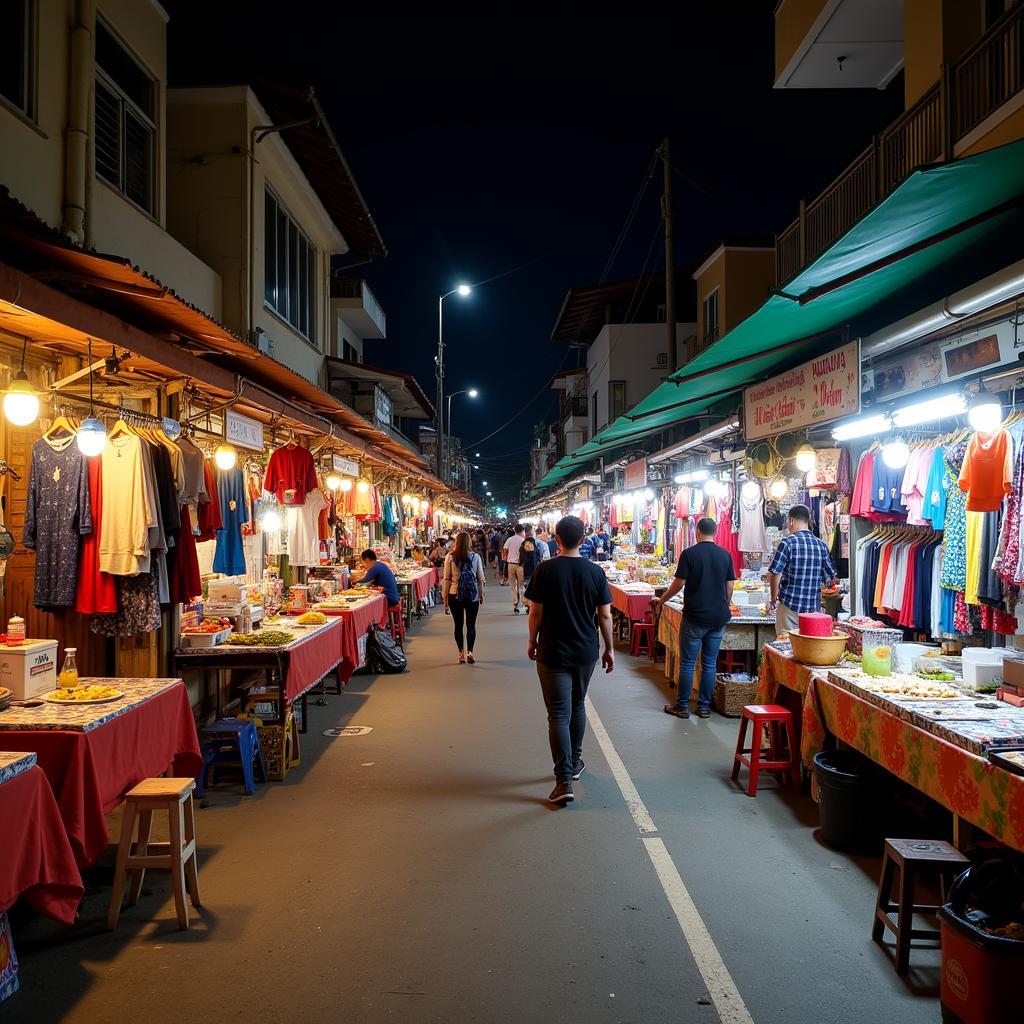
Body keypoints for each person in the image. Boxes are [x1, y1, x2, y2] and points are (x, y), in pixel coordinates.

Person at [526, 516, 614, 805]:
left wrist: (532, 640)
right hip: (585, 651)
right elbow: (604, 615)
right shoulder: (595, 572)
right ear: (584, 538)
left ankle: (563, 779)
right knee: (577, 705)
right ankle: (574, 762)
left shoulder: (544, 570)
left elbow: (535, 612)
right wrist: (609, 648)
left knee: (558, 713)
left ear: (557, 539)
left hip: (552, 650)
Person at [653, 517, 735, 719]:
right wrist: (724, 603)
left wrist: (662, 600)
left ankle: (682, 706)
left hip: (695, 616)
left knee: (688, 663)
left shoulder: (689, 554)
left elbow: (679, 583)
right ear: (715, 532)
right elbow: (730, 586)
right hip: (718, 618)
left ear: (697, 531)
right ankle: (704, 706)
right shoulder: (725, 555)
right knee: (709, 663)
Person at [768, 503, 838, 635]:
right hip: (813, 609)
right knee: (809, 649)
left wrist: (773, 599)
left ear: (791, 520)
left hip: (789, 607)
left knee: (786, 647)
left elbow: (776, 573)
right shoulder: (821, 545)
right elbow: (831, 576)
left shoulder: (787, 542)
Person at [443, 530, 486, 664]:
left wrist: (445, 599)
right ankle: (470, 652)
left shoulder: (450, 557)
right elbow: (480, 578)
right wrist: (481, 594)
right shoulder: (476, 557)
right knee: (471, 625)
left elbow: (446, 579)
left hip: (454, 594)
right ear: (469, 542)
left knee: (458, 625)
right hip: (472, 595)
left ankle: (461, 653)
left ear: (456, 542)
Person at [519, 526, 545, 610]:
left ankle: (528, 604)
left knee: (527, 587)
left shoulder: (522, 544)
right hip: (535, 570)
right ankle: (531, 605)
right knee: (534, 588)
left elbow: (521, 558)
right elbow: (540, 556)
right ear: (531, 532)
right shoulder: (538, 544)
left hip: (526, 570)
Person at [503, 524, 527, 613]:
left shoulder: (510, 539)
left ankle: (515, 603)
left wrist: (506, 556)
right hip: (520, 565)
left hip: (511, 565)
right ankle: (525, 603)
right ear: (522, 531)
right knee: (521, 585)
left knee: (513, 586)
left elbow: (505, 549)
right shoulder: (523, 540)